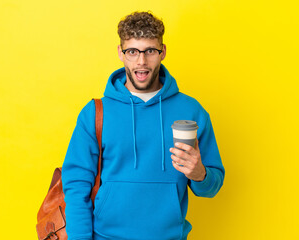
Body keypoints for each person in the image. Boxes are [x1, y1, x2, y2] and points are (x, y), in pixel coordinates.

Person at [62, 11, 225, 240]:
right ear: (121, 53)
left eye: (150, 51)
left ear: (163, 52)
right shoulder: (96, 113)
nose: (141, 61)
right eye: (132, 51)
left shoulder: (191, 111)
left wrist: (200, 174)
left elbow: (212, 187)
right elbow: (76, 186)